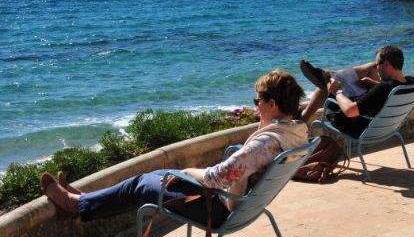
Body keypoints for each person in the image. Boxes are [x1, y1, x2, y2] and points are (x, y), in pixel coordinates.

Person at [40, 70, 310, 226]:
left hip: (219, 210)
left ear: (271, 104)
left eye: (257, 101)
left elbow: (216, 177)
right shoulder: (294, 133)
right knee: (152, 178)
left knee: (140, 185)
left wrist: (188, 171)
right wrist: (264, 123)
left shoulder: (266, 143)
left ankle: (78, 205)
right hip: (239, 205)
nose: (255, 105)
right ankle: (87, 201)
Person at [308, 45, 414, 138]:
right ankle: (330, 75)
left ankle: (327, 78)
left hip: (358, 127)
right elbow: (391, 88)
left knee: (328, 86)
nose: (376, 68)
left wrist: (336, 91)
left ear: (386, 64)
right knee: (352, 87)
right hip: (389, 128)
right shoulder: (413, 82)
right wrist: (373, 84)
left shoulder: (382, 89)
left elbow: (350, 111)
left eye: (377, 65)